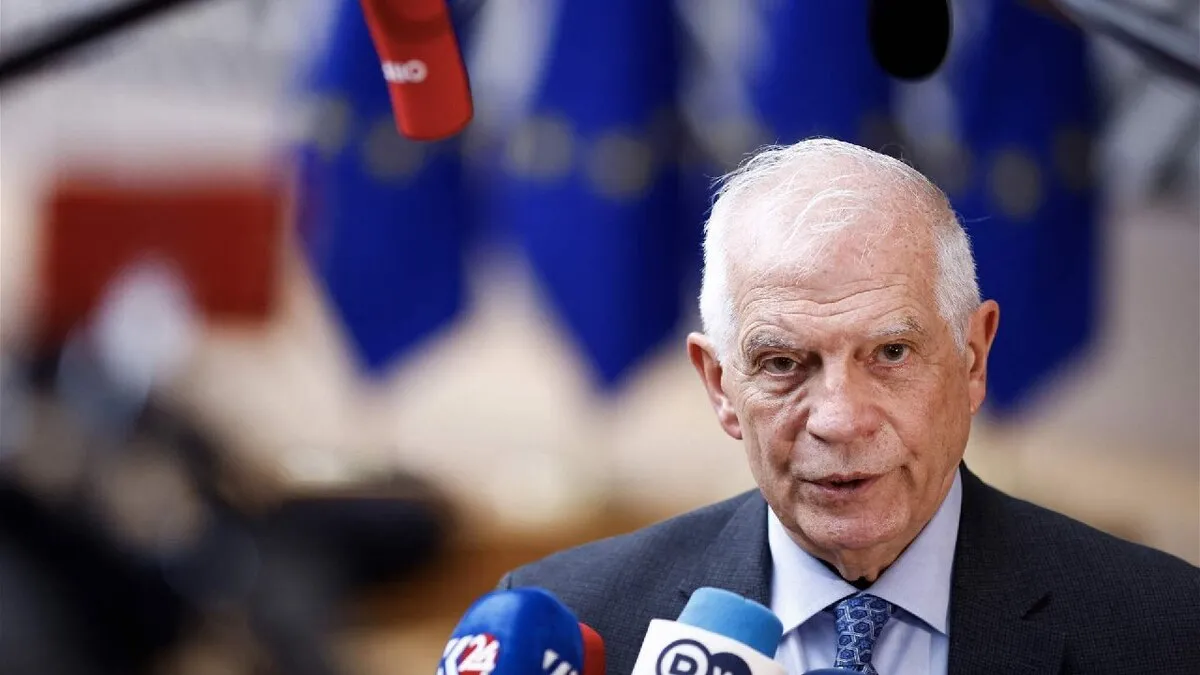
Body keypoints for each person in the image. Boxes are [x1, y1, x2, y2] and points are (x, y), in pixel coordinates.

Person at [498, 138, 1200, 674]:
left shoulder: (1166, 632)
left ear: (973, 358)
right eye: (782, 363)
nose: (839, 420)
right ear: (720, 385)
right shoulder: (578, 624)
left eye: (891, 353)